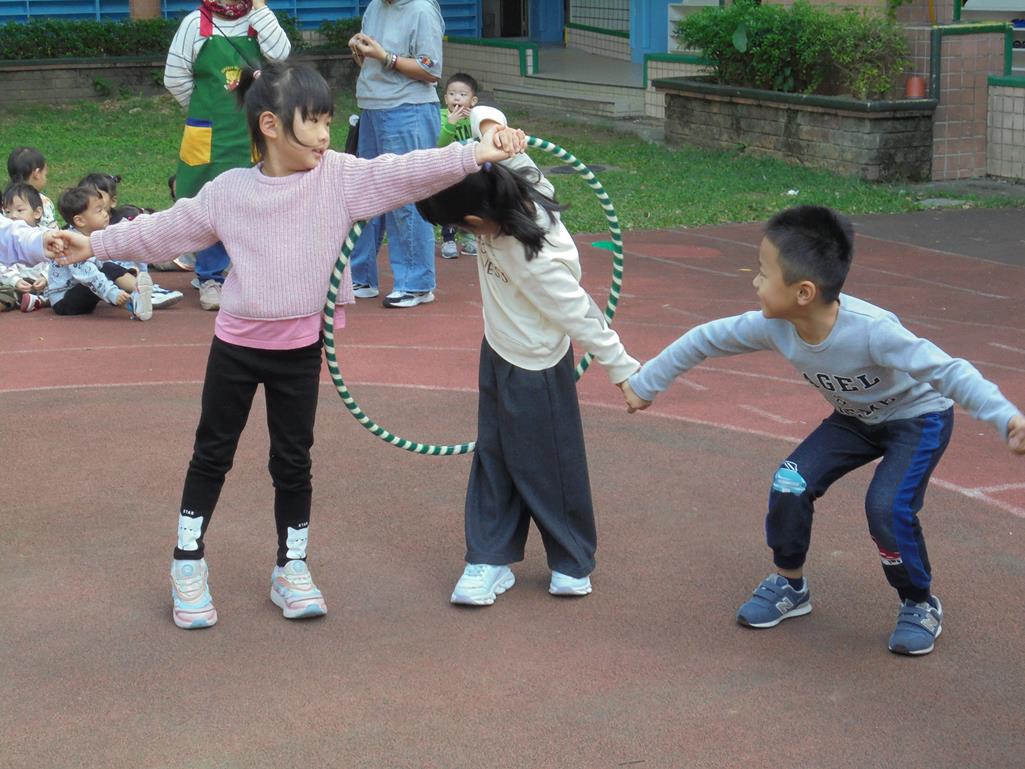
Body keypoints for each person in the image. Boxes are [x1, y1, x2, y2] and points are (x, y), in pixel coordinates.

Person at [55, 61, 526, 629]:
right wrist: (95, 244)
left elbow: (406, 171)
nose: (327, 135)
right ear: (272, 125)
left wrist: (475, 153)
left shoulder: (340, 178)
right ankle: (187, 563)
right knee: (212, 454)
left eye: (329, 121)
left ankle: (291, 566)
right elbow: (165, 229)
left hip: (301, 349)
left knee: (293, 459)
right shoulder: (229, 191)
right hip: (236, 347)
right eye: (316, 122)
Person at [622, 205, 1025, 656]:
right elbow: (704, 338)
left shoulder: (873, 332)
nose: (755, 283)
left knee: (887, 508)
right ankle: (790, 585)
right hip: (855, 420)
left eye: (764, 273)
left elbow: (949, 371)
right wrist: (645, 384)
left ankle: (919, 602)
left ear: (803, 292)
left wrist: (1005, 417)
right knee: (789, 482)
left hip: (918, 419)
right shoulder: (775, 327)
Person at [416, 159, 639, 606]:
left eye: (456, 229)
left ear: (474, 220)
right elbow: (495, 135)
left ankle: (571, 561)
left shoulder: (533, 259)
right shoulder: (519, 184)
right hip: (499, 349)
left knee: (549, 465)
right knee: (493, 456)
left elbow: (581, 313)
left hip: (536, 368)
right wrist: (494, 131)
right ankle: (489, 556)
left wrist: (624, 370)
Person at [164, 0, 291, 311]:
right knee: (209, 201)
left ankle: (251, 274)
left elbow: (280, 54)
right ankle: (210, 277)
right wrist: (202, 108)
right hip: (209, 132)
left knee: (254, 201)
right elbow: (175, 77)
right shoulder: (195, 23)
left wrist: (260, 10)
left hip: (251, 129)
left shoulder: (258, 20)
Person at [347, 0, 445, 308]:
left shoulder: (421, 10)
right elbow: (373, 64)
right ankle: (362, 276)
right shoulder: (374, 7)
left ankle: (417, 283)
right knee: (366, 194)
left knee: (407, 196)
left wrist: (384, 56)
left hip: (408, 109)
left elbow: (431, 69)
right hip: (372, 106)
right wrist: (362, 51)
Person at [79, 172, 184, 309]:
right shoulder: (77, 229)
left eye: (98, 197)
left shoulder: (124, 222)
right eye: (85, 198)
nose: (91, 202)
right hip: (99, 277)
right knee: (107, 266)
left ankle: (145, 291)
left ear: (113, 201)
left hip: (130, 271)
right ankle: (143, 293)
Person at [46, 187, 153, 320]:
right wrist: (113, 293)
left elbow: (105, 263)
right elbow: (89, 276)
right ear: (80, 221)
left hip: (83, 289)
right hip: (64, 301)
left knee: (109, 267)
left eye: (104, 209)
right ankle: (134, 301)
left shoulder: (92, 236)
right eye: (99, 211)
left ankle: (143, 292)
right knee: (106, 271)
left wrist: (125, 272)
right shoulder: (70, 244)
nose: (105, 214)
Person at [436, 72, 480, 260]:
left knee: (471, 204)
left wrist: (476, 121)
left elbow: (483, 139)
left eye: (463, 95)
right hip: (449, 170)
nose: (457, 98)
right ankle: (448, 239)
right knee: (450, 204)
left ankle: (469, 237)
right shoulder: (441, 116)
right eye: (452, 94)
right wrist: (451, 124)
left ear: (473, 100)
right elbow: (440, 144)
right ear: (446, 98)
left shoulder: (476, 117)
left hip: (472, 171)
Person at [1, 183, 50, 312]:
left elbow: (56, 261)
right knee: (5, 291)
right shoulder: (7, 238)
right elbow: (3, 264)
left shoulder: (46, 235)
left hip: (44, 284)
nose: (13, 215)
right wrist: (15, 280)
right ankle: (29, 300)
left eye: (19, 210)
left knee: (65, 284)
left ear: (37, 212)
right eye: (7, 212)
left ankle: (42, 300)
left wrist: (45, 277)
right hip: (16, 285)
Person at [7, 147, 58, 229]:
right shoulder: (43, 202)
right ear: (36, 174)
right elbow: (52, 230)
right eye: (45, 175)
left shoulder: (6, 199)